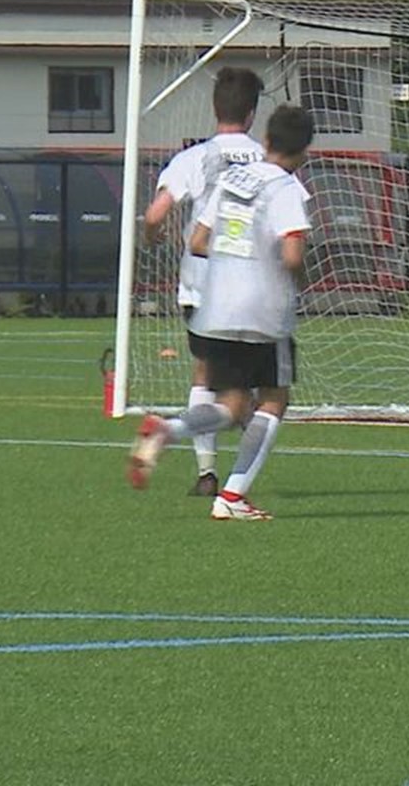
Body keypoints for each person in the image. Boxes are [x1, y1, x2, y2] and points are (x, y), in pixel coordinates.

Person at [128, 105, 314, 519]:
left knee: (232, 407)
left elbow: (197, 241)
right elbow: (292, 253)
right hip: (264, 310)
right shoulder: (286, 188)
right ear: (304, 153)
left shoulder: (231, 179)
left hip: (215, 306)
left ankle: (168, 429)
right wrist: (296, 281)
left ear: (266, 141)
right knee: (273, 399)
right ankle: (231, 498)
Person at [141, 67, 266, 496]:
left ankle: (206, 474)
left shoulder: (192, 158)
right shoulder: (269, 159)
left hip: (201, 288)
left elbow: (156, 214)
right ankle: (235, 489)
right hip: (254, 290)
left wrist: (153, 237)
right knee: (260, 396)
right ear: (251, 113)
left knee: (203, 377)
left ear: (217, 110)